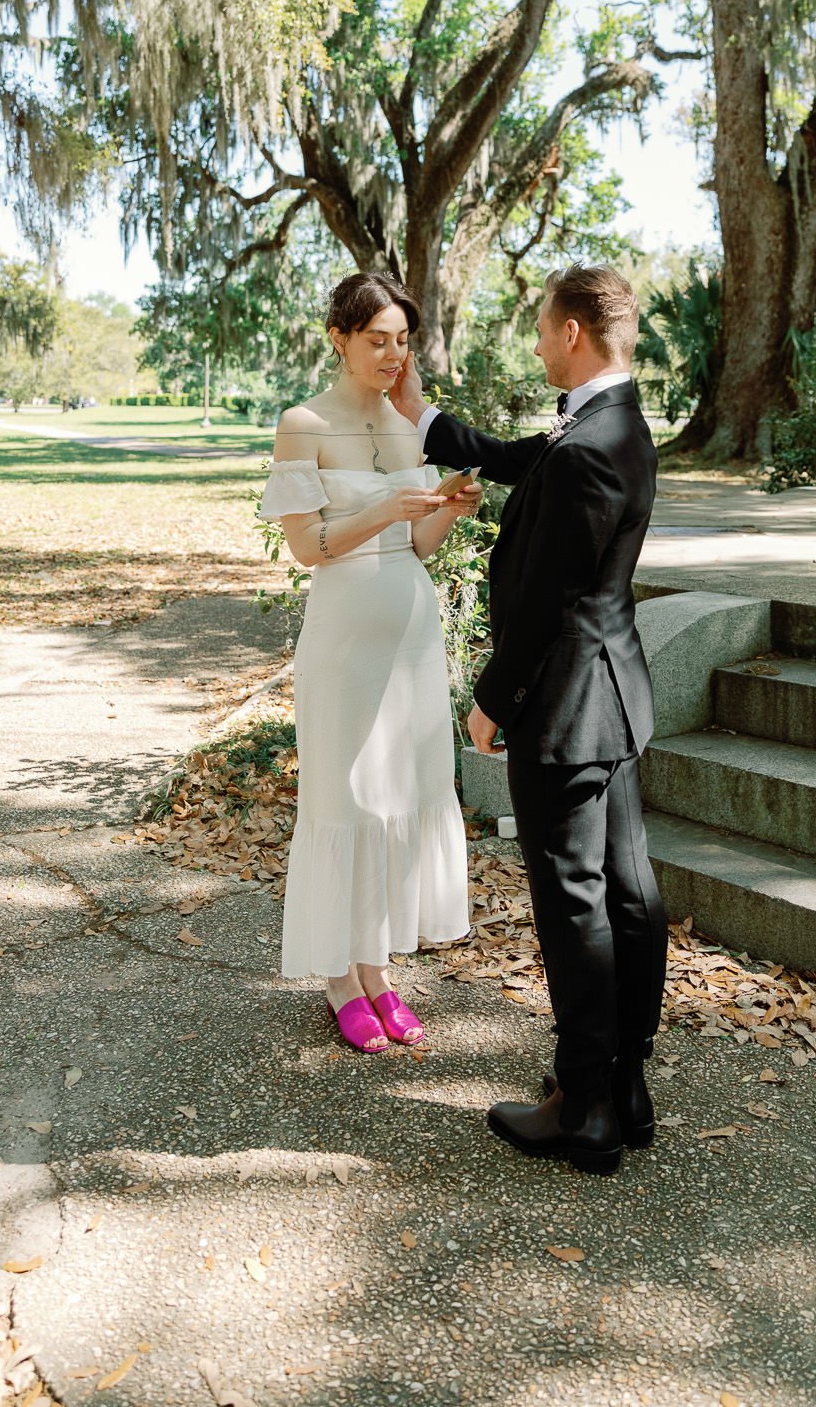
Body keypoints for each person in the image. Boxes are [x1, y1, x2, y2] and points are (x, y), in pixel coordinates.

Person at [391, 263, 665, 1174]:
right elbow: (520, 460)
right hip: (614, 700)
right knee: (626, 895)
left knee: (574, 902)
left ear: (575, 334)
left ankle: (582, 1104)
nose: (538, 343)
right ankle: (625, 1083)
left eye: (544, 330)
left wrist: (488, 702)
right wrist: (421, 415)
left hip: (566, 707)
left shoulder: (589, 442)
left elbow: (547, 600)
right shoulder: (609, 421)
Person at [260, 271, 476, 1053]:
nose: (392, 355)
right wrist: (385, 506)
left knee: (399, 795)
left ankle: (378, 968)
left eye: (402, 341)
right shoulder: (303, 424)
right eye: (377, 339)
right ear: (339, 338)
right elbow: (308, 549)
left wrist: (445, 509)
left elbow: (414, 545)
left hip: (410, 630)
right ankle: (338, 979)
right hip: (345, 632)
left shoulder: (407, 425)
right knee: (344, 797)